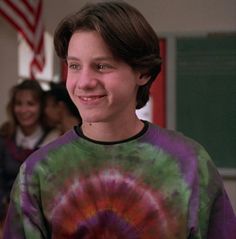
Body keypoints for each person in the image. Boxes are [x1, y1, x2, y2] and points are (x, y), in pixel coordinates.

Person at [3, 1, 236, 238]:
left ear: (142, 72)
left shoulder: (191, 165)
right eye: (74, 66)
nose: (83, 82)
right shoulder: (38, 172)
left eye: (101, 66)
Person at [0, 79, 58, 228]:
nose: (23, 110)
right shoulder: (4, 137)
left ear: (41, 107)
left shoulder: (54, 140)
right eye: (18, 103)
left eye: (31, 104)